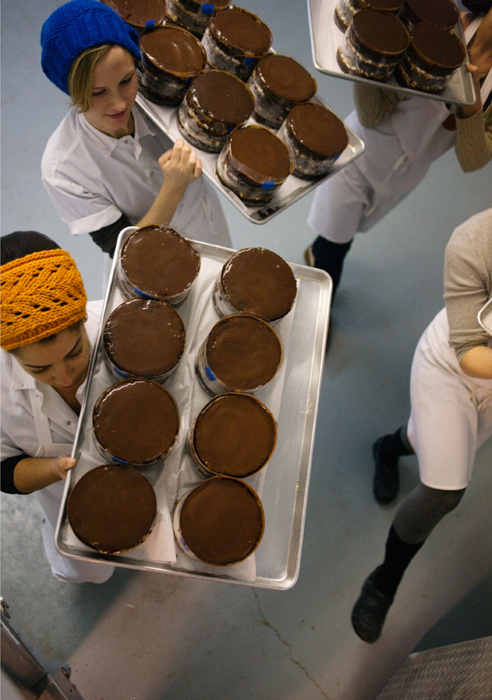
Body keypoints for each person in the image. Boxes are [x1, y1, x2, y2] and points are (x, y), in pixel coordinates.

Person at [351, 207, 492, 643]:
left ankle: (389, 448)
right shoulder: (475, 241)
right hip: (451, 366)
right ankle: (383, 582)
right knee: (444, 490)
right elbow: (471, 352)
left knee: (441, 444)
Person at [306, 0, 492, 296]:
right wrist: (373, 54)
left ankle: (318, 250)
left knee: (348, 231)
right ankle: (323, 296)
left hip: (409, 172)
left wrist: (471, 106)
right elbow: (371, 114)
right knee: (335, 245)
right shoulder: (437, 30)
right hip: (361, 150)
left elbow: (472, 160)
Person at [40, 0, 231, 276]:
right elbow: (126, 250)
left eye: (126, 81)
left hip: (207, 225)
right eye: (97, 93)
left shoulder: (164, 92)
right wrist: (173, 189)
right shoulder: (64, 169)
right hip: (150, 265)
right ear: (71, 90)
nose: (118, 104)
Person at [1, 230, 114, 584]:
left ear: (83, 321)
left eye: (75, 352)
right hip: (66, 497)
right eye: (38, 369)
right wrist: (55, 470)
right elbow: (5, 471)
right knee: (90, 569)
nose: (64, 376)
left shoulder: (121, 327)